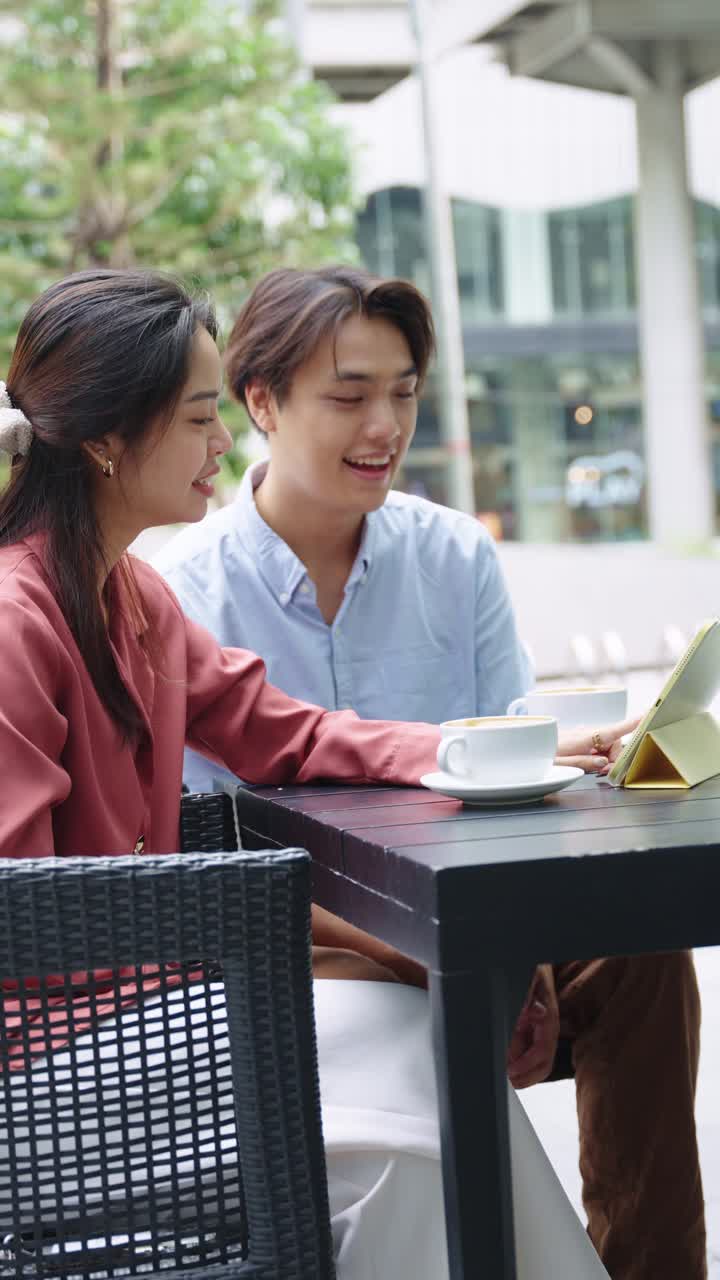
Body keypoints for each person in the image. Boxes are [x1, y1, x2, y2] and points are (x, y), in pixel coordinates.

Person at [0, 268, 615, 1280]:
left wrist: (488, 753)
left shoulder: (135, 598)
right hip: (49, 1083)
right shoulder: (20, 617)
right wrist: (233, 924)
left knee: (429, 1076)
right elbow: (25, 918)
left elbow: (292, 733)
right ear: (110, 439)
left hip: (147, 1028)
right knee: (418, 1148)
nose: (218, 447)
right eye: (201, 417)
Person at [155, 265, 707, 1280]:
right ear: (263, 402)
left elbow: (521, 774)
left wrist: (527, 959)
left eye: (405, 391)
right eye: (350, 393)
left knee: (642, 953)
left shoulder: (454, 556)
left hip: (478, 917)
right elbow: (214, 862)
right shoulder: (182, 594)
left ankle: (654, 1266)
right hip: (306, 940)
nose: (386, 424)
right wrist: (445, 953)